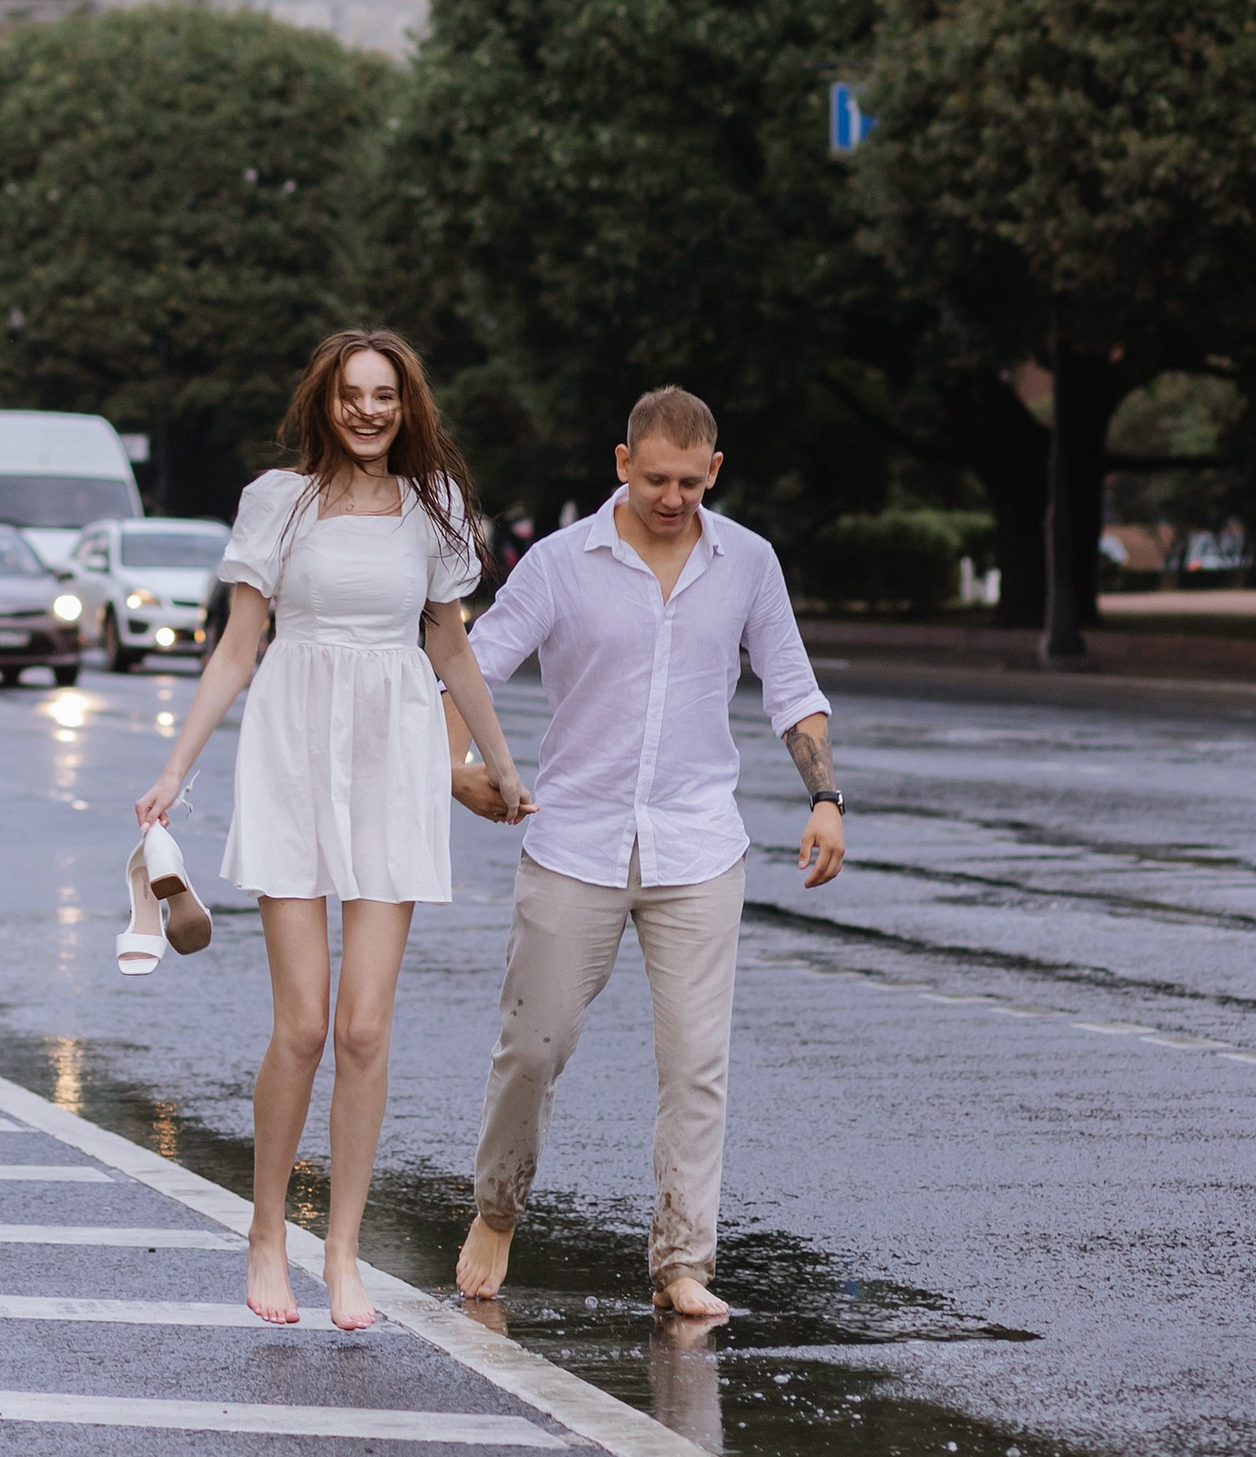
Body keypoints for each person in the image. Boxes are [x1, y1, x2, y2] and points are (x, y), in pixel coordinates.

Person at [135, 329, 532, 1334]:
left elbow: (451, 646)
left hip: (394, 753)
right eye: (352, 394)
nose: (368, 410)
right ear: (325, 402)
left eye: (384, 395)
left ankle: (343, 1251)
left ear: (406, 406)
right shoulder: (278, 502)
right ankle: (267, 1232)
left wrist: (498, 760)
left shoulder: (436, 508)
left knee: (363, 1028)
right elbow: (239, 646)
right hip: (293, 748)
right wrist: (174, 772)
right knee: (304, 1025)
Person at [448, 384, 843, 1322]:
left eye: (690, 483)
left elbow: (792, 686)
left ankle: (682, 1263)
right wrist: (455, 769)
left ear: (715, 470)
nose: (672, 498)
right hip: (573, 842)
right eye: (655, 479)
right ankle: (497, 1210)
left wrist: (825, 799)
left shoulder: (747, 562)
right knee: (533, 1048)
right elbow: (470, 667)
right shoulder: (559, 564)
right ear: (622, 463)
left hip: (699, 847)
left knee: (697, 1066)